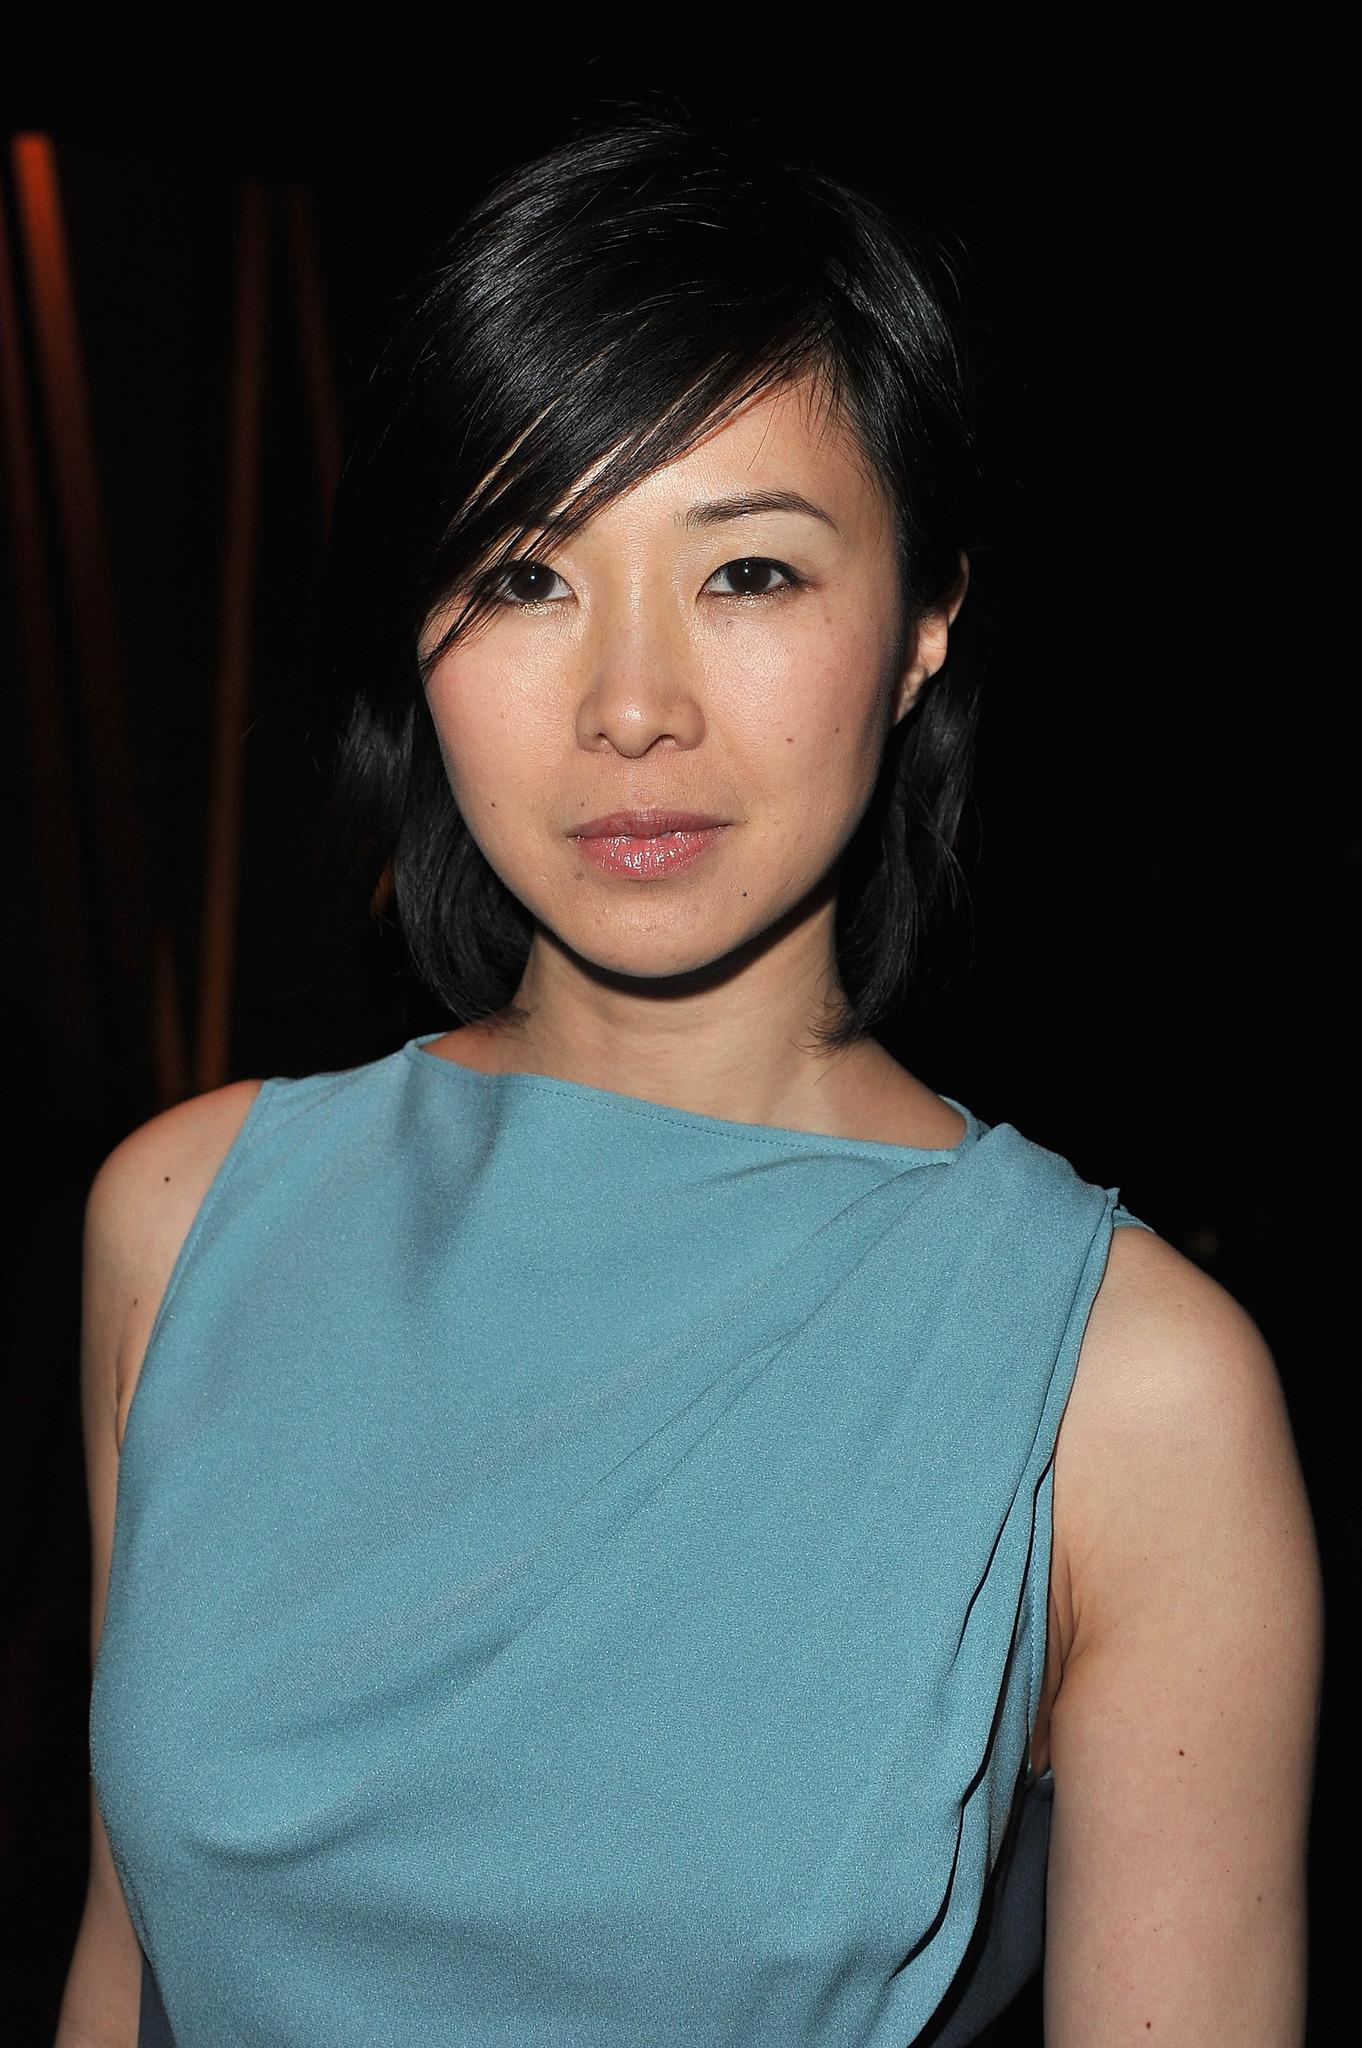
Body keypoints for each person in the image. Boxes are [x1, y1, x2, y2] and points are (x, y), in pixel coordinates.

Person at [57, 112, 1322, 2047]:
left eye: (745, 572)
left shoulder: (1127, 1391)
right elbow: (127, 1956)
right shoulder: (183, 1222)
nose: (631, 706)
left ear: (922, 621)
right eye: (522, 576)